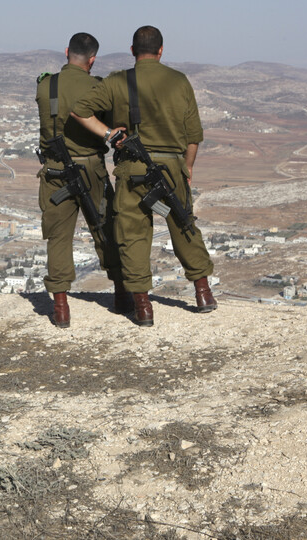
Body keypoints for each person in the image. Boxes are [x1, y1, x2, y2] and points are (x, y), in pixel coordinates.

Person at [71, 25, 217, 327]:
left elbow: (80, 110)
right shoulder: (179, 82)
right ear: (161, 51)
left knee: (132, 235)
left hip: (133, 169)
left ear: (132, 50)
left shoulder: (117, 82)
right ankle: (203, 292)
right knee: (183, 224)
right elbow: (193, 137)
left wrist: (110, 134)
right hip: (172, 166)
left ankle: (143, 307)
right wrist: (186, 168)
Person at [36, 32, 129, 328]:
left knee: (58, 236)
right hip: (90, 168)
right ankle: (121, 294)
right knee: (106, 228)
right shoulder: (97, 88)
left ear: (66, 52)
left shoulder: (45, 85)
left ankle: (61, 307)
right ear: (92, 60)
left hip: (54, 171)